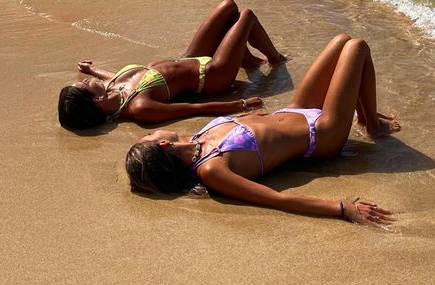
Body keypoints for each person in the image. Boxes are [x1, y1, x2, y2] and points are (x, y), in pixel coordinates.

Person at [126, 34, 400, 226]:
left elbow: (248, 127)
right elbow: (276, 199)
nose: (152, 132)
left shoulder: (194, 139)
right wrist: (343, 209)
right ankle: (372, 126)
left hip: (295, 110)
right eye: (149, 136)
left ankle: (365, 114)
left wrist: (248, 115)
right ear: (162, 146)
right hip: (322, 133)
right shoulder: (211, 170)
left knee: (342, 41)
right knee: (357, 47)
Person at [58, 0, 284, 130]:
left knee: (228, 7)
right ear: (97, 101)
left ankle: (251, 62)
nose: (87, 81)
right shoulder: (139, 108)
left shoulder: (113, 88)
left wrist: (91, 68)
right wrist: (238, 105)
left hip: (191, 57)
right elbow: (191, 109)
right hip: (212, 74)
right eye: (85, 85)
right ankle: (276, 60)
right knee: (246, 15)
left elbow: (112, 76)